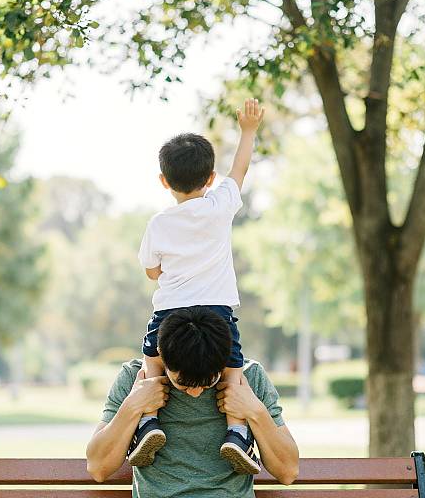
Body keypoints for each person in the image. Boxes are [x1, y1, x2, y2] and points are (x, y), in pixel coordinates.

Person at [134, 98, 265, 473]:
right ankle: (237, 433)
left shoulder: (158, 224)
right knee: (232, 367)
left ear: (164, 181)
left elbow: (151, 271)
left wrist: (164, 273)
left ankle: (147, 422)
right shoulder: (219, 206)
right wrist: (248, 130)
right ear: (209, 179)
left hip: (170, 312)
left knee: (152, 364)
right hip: (217, 312)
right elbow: (239, 170)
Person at [86, 306, 299, 497]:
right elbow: (98, 467)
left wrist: (254, 410)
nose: (196, 392)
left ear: (225, 359)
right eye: (183, 383)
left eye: (208, 382)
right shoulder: (135, 378)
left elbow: (288, 472)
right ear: (163, 357)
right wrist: (133, 405)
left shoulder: (250, 378)